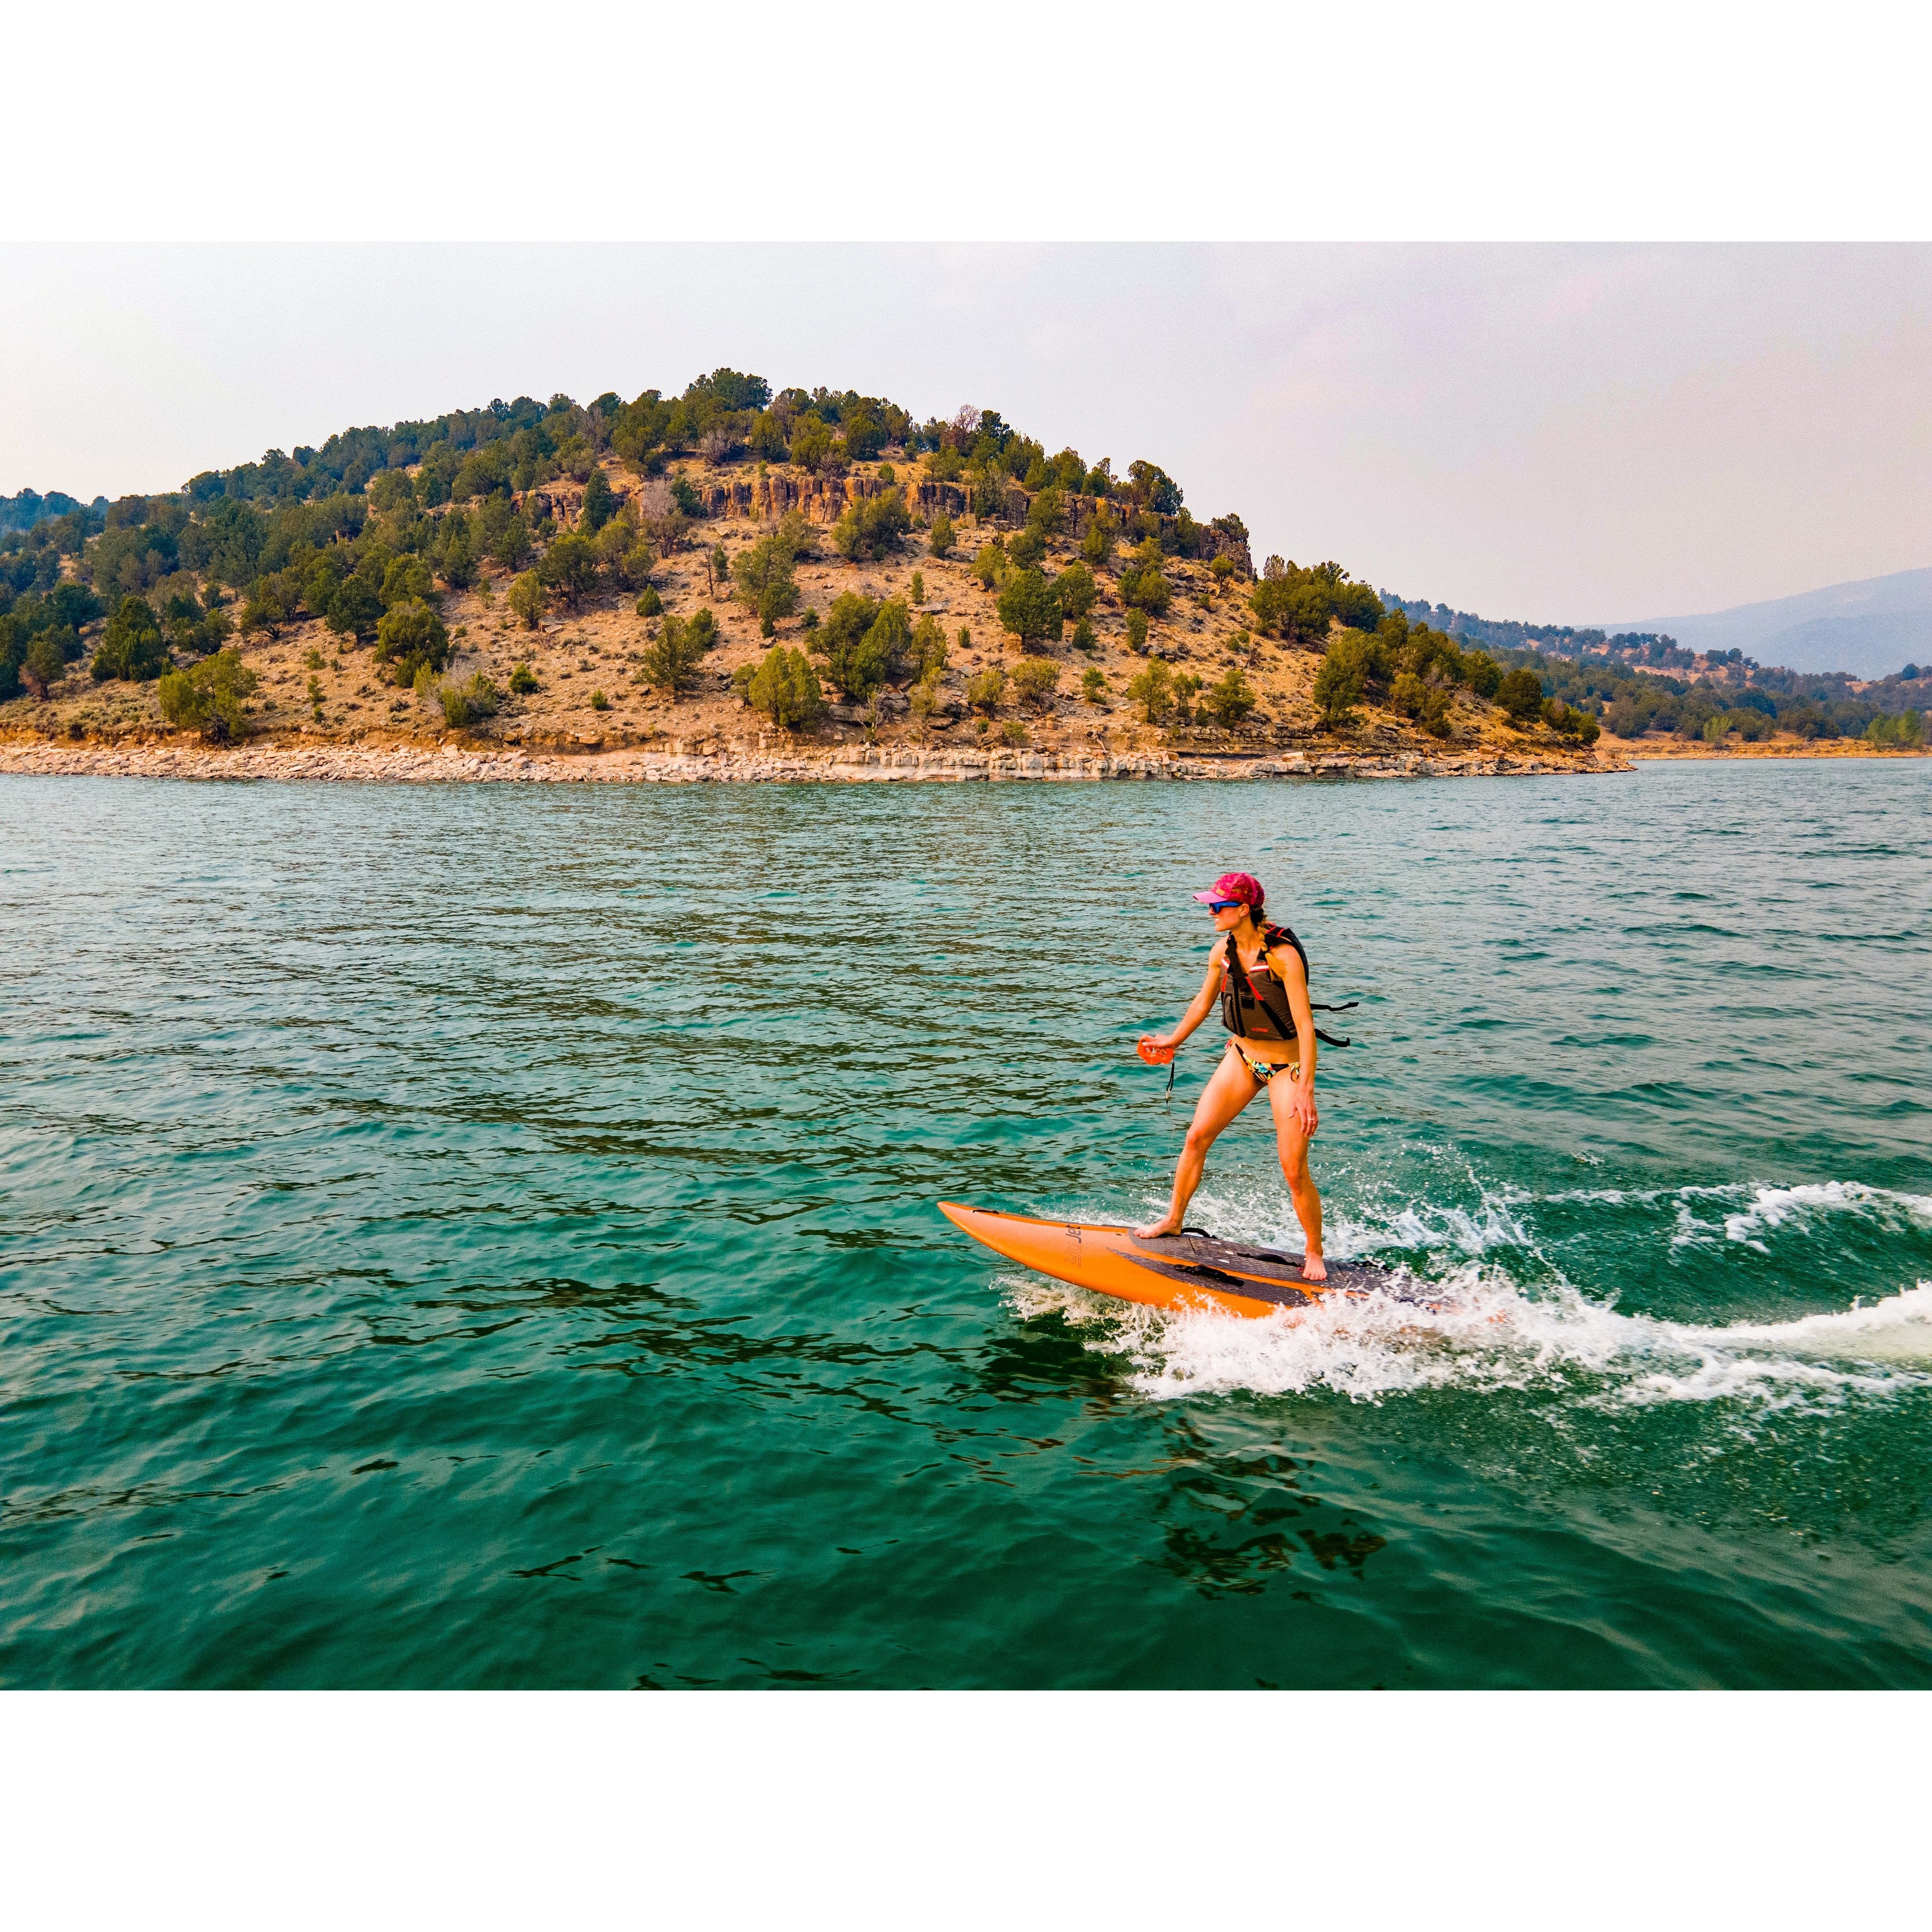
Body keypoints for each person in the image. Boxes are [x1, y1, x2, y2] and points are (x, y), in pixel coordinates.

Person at [1133, 871, 1330, 1279]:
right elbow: (1203, 1003)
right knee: (1196, 1136)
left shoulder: (1282, 957)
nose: (1210, 911)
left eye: (1218, 906)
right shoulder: (1221, 951)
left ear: (1243, 910)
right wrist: (1173, 1040)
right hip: (1242, 1056)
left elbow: (1306, 1026)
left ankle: (1314, 1250)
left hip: (1286, 1067)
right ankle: (1173, 1219)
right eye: (1210, 903)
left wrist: (1306, 1090)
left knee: (1293, 1169)